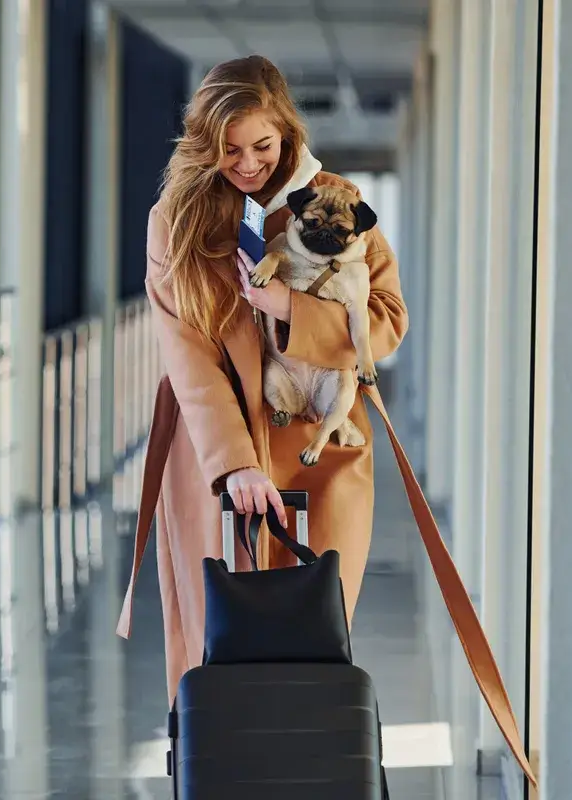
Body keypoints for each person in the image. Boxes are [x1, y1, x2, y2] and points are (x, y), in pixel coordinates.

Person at [115, 55, 408, 703]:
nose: (247, 164)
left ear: (288, 132)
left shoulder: (336, 201)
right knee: (214, 647)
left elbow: (385, 324)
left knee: (314, 641)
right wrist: (235, 463)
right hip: (214, 455)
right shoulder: (177, 220)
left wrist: (290, 311)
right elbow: (186, 351)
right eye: (229, 150)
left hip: (321, 446)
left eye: (263, 146)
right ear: (202, 143)